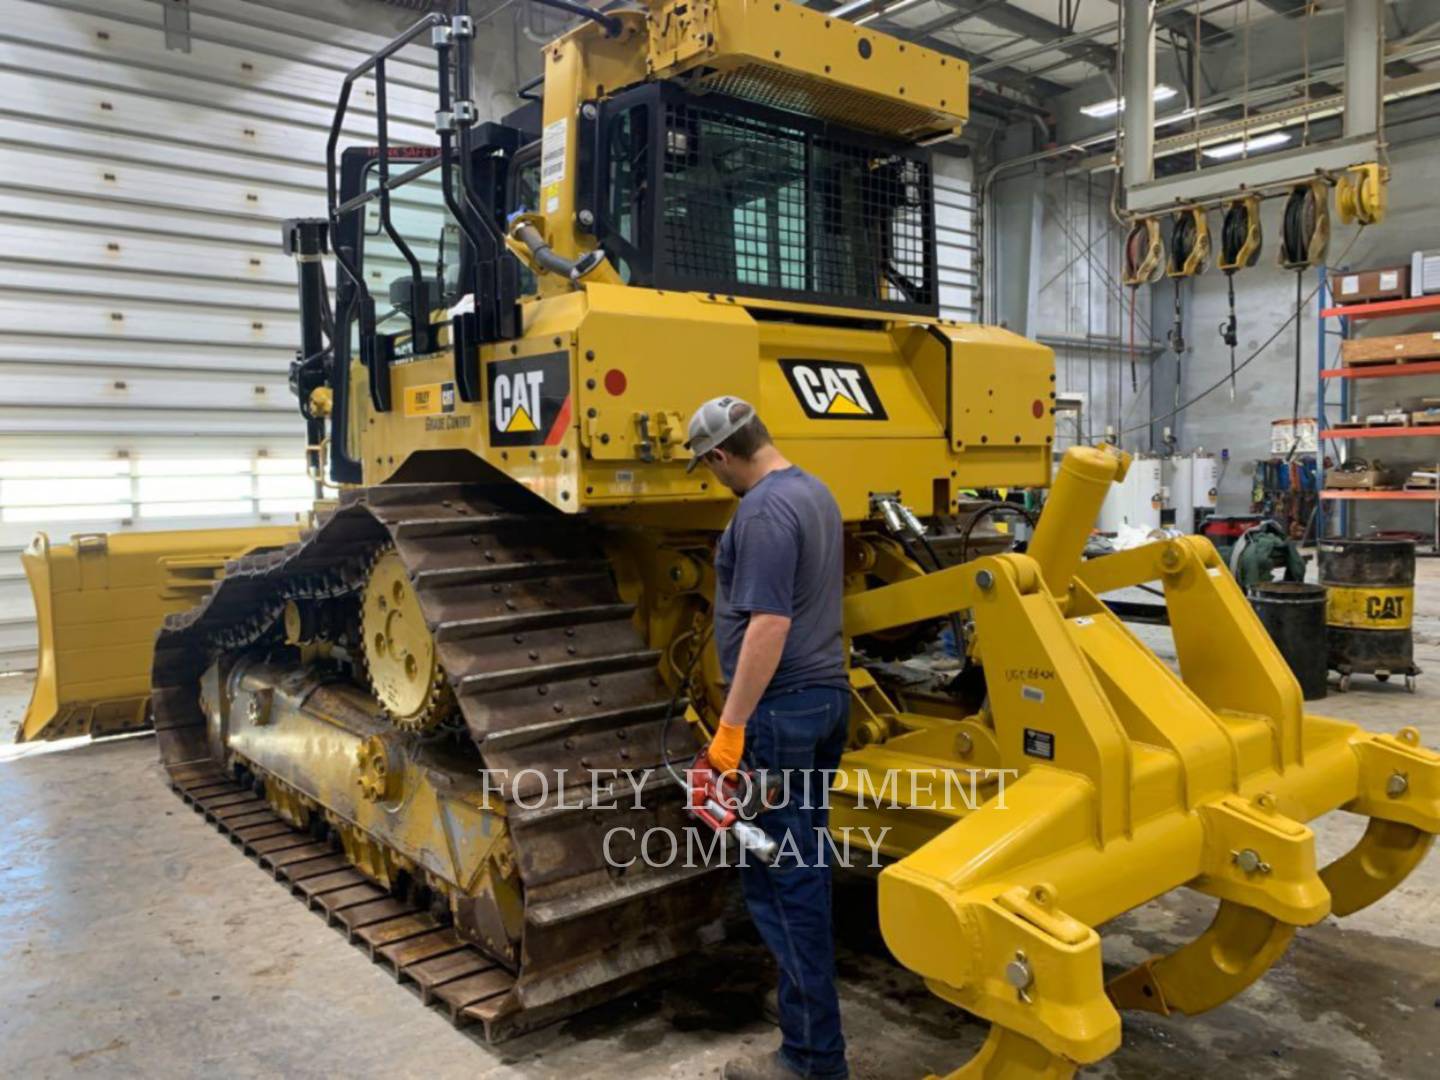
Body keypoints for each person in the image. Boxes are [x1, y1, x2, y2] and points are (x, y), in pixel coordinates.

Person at [685, 396, 851, 1080]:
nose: (711, 476)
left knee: (784, 886)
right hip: (825, 701)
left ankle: (814, 1061)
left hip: (779, 715)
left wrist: (730, 730)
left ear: (722, 455)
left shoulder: (760, 511)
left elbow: (769, 626)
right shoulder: (815, 492)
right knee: (802, 868)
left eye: (707, 466)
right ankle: (811, 1046)